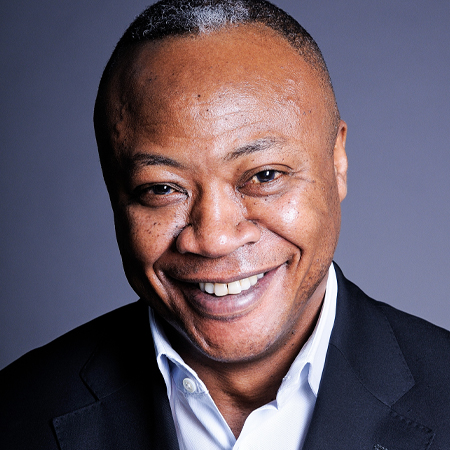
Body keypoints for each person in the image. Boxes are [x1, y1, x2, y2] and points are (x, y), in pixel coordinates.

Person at [1, 0, 449, 448]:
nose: (214, 238)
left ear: (337, 162)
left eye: (264, 176)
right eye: (162, 188)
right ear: (113, 190)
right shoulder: (15, 416)